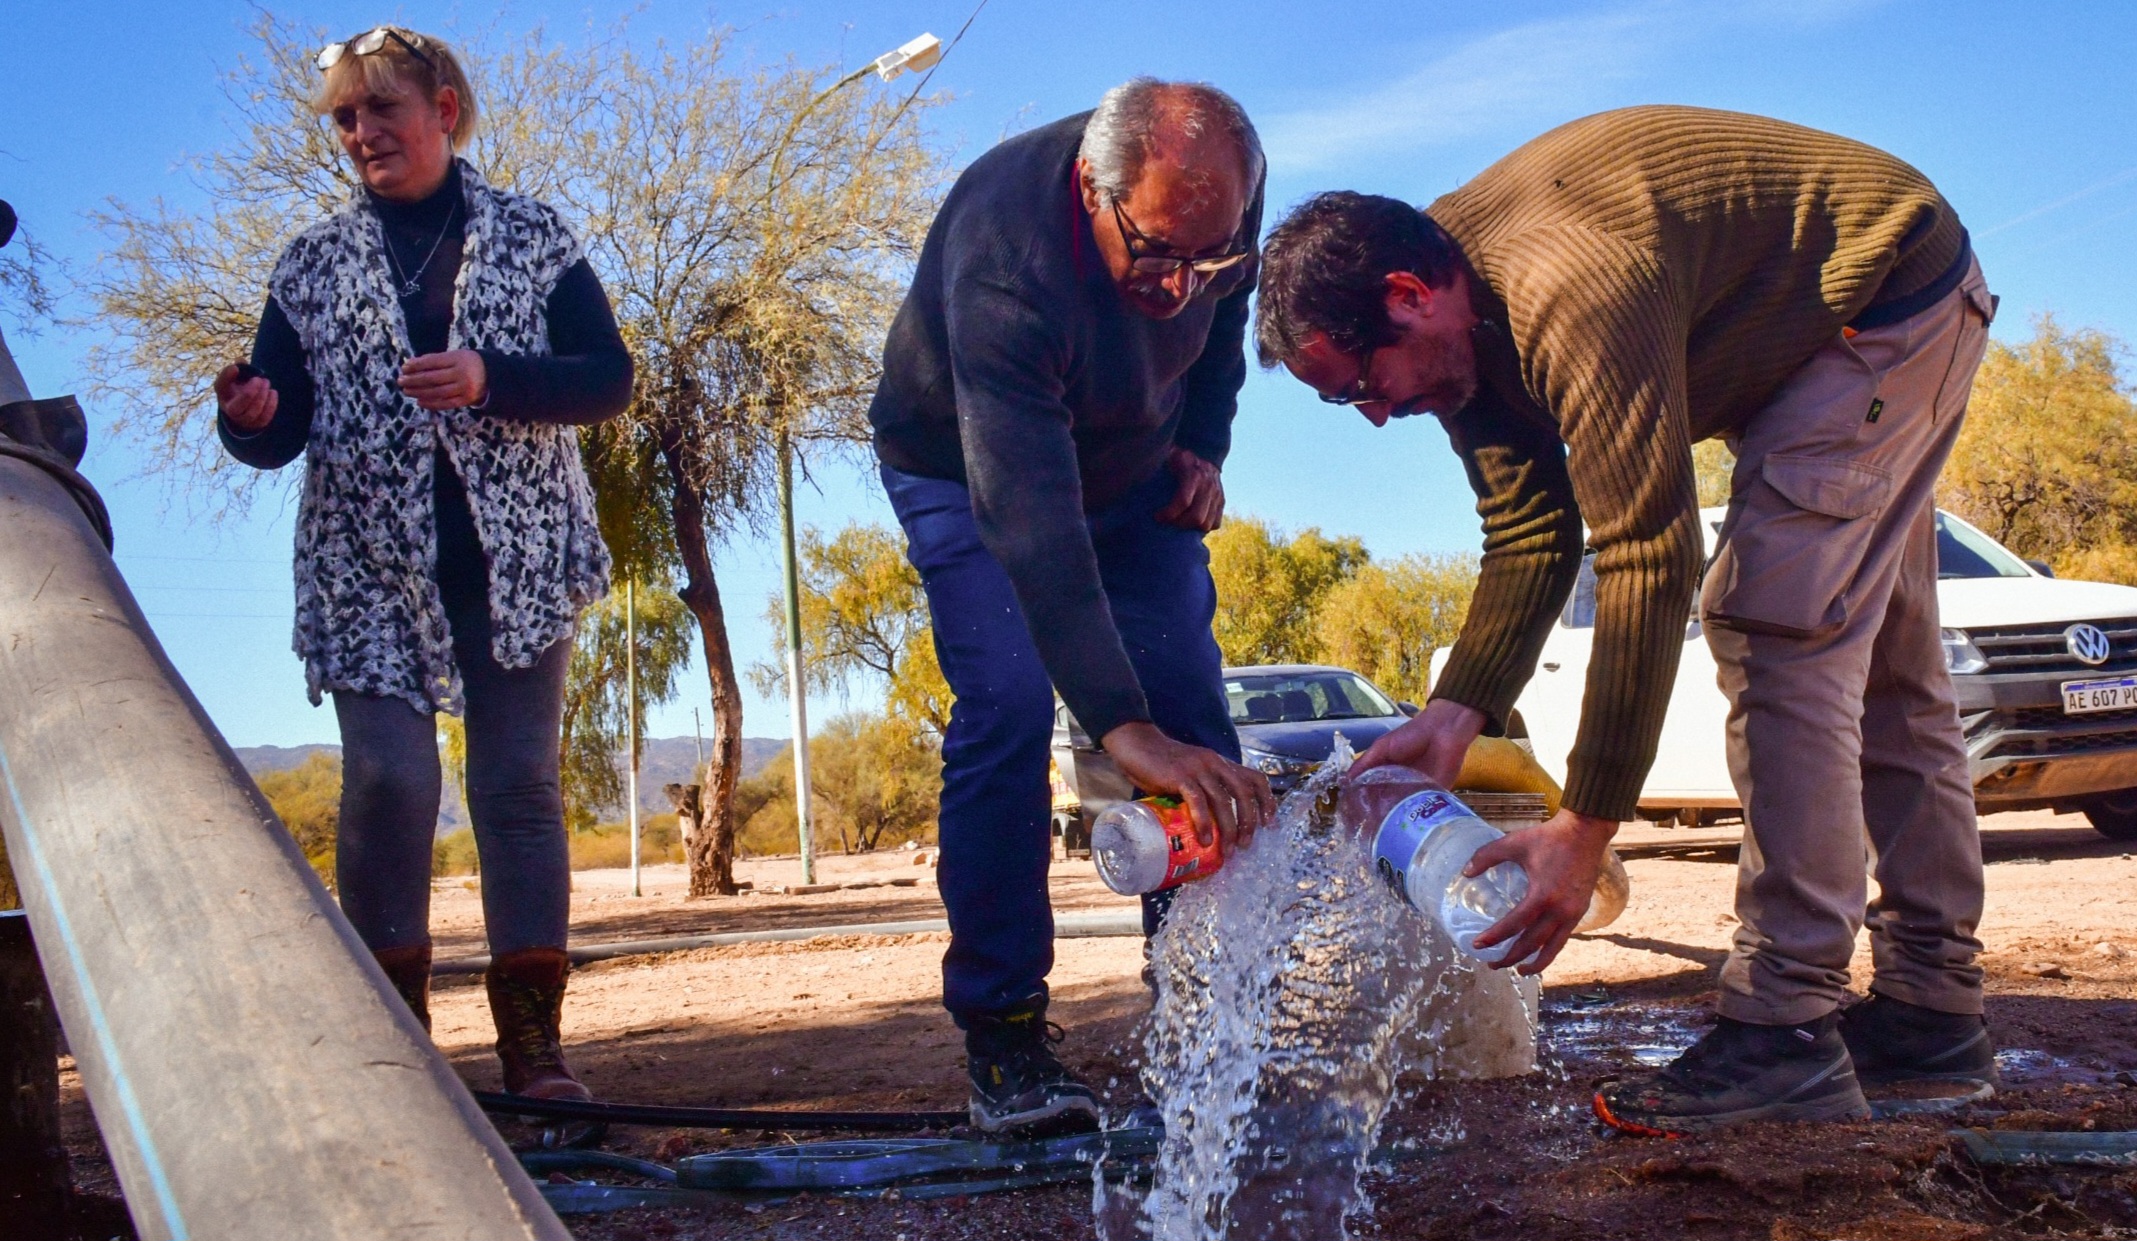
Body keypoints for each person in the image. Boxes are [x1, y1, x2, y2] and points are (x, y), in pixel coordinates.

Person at [1253, 106, 1995, 1135]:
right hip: (1802, 348)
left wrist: (1582, 827)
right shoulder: (1463, 343)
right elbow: (1525, 529)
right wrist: (1454, 711)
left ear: (1407, 297)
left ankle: (1784, 1025)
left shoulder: (1564, 290)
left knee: (1776, 627)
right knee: (1887, 665)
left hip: (1881, 304)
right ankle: (1930, 1014)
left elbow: (1647, 551)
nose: (1374, 414)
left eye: (1360, 389)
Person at [213, 27, 632, 1102]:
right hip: (365, 565)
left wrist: (493, 375)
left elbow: (606, 377)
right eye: (345, 118)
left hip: (517, 557)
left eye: (380, 110)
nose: (360, 134)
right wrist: (252, 419)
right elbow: (280, 421)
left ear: (443, 110)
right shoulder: (309, 262)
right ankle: (399, 1052)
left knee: (517, 788)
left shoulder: (535, 235)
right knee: (393, 779)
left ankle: (536, 1054)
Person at [869, 78, 1277, 1134]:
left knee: (1191, 705)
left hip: (1135, 465)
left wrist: (1204, 448)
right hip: (965, 470)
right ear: (1094, 192)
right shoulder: (1007, 260)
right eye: (1153, 255)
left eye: (1211, 256)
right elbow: (1033, 523)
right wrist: (1119, 731)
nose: (1181, 286)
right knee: (1005, 701)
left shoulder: (1220, 208)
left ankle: (1202, 1009)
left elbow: (1220, 334)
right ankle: (1003, 1033)